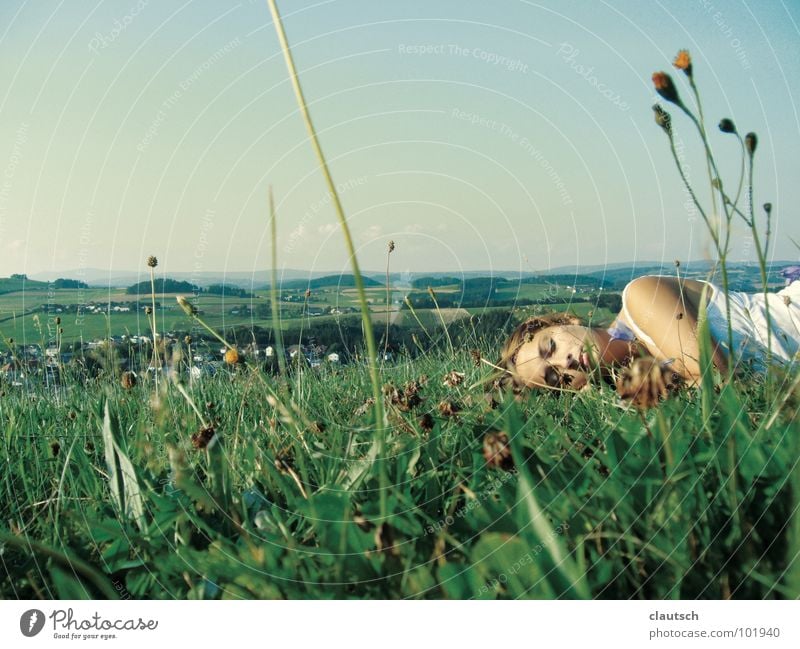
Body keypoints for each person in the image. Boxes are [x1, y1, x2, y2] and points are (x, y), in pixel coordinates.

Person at [494, 270, 800, 395]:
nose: (564, 364)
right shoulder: (639, 379)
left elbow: (716, 377)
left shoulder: (639, 297)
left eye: (551, 347)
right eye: (553, 377)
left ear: (565, 319)